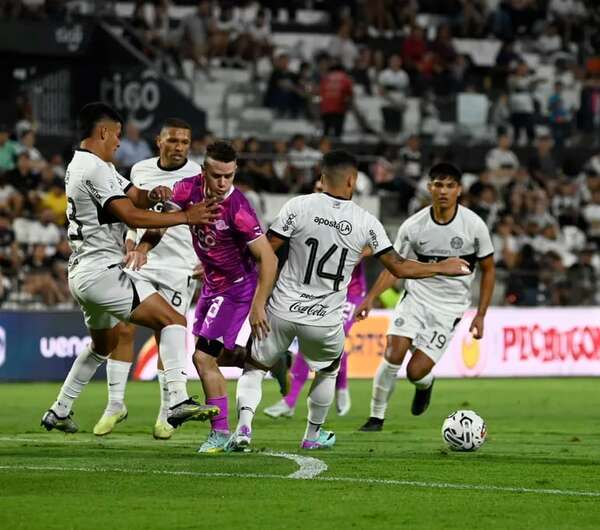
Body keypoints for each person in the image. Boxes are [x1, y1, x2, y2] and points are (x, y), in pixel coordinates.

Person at [225, 150, 471, 451]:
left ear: (322, 176)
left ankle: (244, 430)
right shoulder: (367, 222)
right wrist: (440, 266)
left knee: (254, 367)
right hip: (325, 318)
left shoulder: (297, 206)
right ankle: (312, 435)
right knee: (328, 370)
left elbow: (265, 251)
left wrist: (245, 289)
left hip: (281, 309)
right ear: (353, 180)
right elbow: (399, 267)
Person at [40, 102, 221, 434]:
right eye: (118, 135)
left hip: (82, 272)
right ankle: (177, 401)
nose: (120, 143)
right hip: (102, 270)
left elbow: (134, 196)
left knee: (101, 345)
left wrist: (153, 194)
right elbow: (132, 217)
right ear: (104, 132)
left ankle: (60, 409)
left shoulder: (91, 164)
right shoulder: (93, 168)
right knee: (173, 320)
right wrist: (185, 216)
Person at [357, 162, 495, 432]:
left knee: (415, 372)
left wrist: (480, 315)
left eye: (450, 185)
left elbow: (489, 271)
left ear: (459, 190)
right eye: (438, 185)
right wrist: (370, 297)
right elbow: (395, 267)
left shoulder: (474, 226)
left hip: (448, 308)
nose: (443, 191)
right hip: (416, 298)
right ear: (430, 188)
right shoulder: (414, 226)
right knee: (393, 353)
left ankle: (426, 383)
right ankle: (376, 418)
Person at [92, 117, 203, 440]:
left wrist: (207, 261)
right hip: (141, 259)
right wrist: (130, 239)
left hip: (179, 265)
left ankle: (166, 413)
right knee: (122, 327)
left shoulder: (197, 175)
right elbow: (132, 210)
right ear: (159, 141)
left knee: (165, 333)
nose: (179, 147)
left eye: (184, 141)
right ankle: (114, 405)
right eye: (173, 140)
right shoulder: (139, 169)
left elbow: (199, 221)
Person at [168, 141, 278, 453]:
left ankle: (220, 432)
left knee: (202, 357)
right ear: (204, 171)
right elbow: (161, 216)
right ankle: (271, 362)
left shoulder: (239, 209)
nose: (222, 183)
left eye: (228, 176)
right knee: (216, 356)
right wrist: (144, 245)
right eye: (216, 175)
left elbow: (268, 259)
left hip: (236, 289)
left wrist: (258, 305)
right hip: (211, 285)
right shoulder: (186, 189)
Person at [263, 261, 366, 418]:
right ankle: (289, 402)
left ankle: (341, 386)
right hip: (323, 292)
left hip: (351, 293)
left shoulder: (362, 235)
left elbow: (362, 251)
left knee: (333, 336)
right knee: (309, 341)